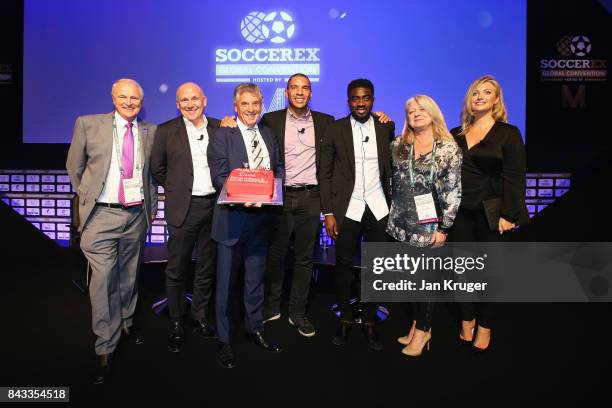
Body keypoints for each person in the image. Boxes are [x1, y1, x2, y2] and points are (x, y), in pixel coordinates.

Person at [66, 78, 157, 384]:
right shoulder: (88, 125)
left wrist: (151, 208)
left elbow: (153, 175)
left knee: (129, 273)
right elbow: (73, 168)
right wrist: (89, 201)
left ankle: (127, 322)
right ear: (113, 98)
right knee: (103, 279)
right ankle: (106, 343)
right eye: (124, 97)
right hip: (101, 216)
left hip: (136, 215)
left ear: (141, 102)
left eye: (135, 98)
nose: (129, 102)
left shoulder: (151, 131)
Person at [448, 75, 528, 352]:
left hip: (493, 213)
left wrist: (510, 213)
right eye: (475, 93)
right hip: (460, 213)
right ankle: (467, 320)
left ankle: (485, 325)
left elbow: (515, 176)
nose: (479, 96)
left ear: (496, 100)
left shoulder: (509, 133)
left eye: (487, 92)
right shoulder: (455, 133)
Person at [207, 83, 284, 368]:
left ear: (261, 104)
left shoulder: (268, 134)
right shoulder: (222, 135)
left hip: (262, 221)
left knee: (255, 282)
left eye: (255, 104)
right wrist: (244, 196)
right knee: (226, 286)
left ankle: (255, 329)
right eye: (245, 104)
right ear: (235, 107)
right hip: (231, 221)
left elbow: (278, 170)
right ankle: (224, 340)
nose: (251, 109)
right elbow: (218, 176)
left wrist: (272, 193)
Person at [320, 78, 395, 351]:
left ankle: (371, 322)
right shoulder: (334, 129)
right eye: (355, 98)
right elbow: (324, 174)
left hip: (378, 208)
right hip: (347, 209)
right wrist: (328, 212)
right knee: (343, 265)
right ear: (348, 100)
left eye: (365, 98)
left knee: (375, 266)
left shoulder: (387, 126)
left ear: (373, 99)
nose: (360, 103)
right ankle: (346, 319)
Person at [259, 73, 334, 337]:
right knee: (276, 256)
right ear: (287, 92)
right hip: (280, 197)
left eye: (304, 88)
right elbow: (249, 139)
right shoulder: (271, 119)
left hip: (311, 198)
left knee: (305, 258)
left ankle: (297, 311)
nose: (299, 92)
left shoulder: (326, 122)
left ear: (311, 93)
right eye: (294, 88)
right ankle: (271, 307)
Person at [386, 95, 462, 356]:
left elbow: (453, 192)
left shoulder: (448, 149)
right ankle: (416, 325)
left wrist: (444, 228)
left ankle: (424, 331)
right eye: (410, 110)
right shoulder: (399, 144)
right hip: (400, 225)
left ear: (433, 113)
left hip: (430, 227)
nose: (415, 113)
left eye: (421, 109)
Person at [151, 82, 222, 353]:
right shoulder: (166, 131)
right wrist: (178, 187)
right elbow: (158, 168)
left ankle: (199, 317)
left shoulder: (220, 127)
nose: (190, 104)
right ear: (177, 104)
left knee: (206, 267)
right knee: (176, 268)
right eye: (184, 100)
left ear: (204, 100)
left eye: (194, 98)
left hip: (215, 207)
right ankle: (177, 320)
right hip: (184, 207)